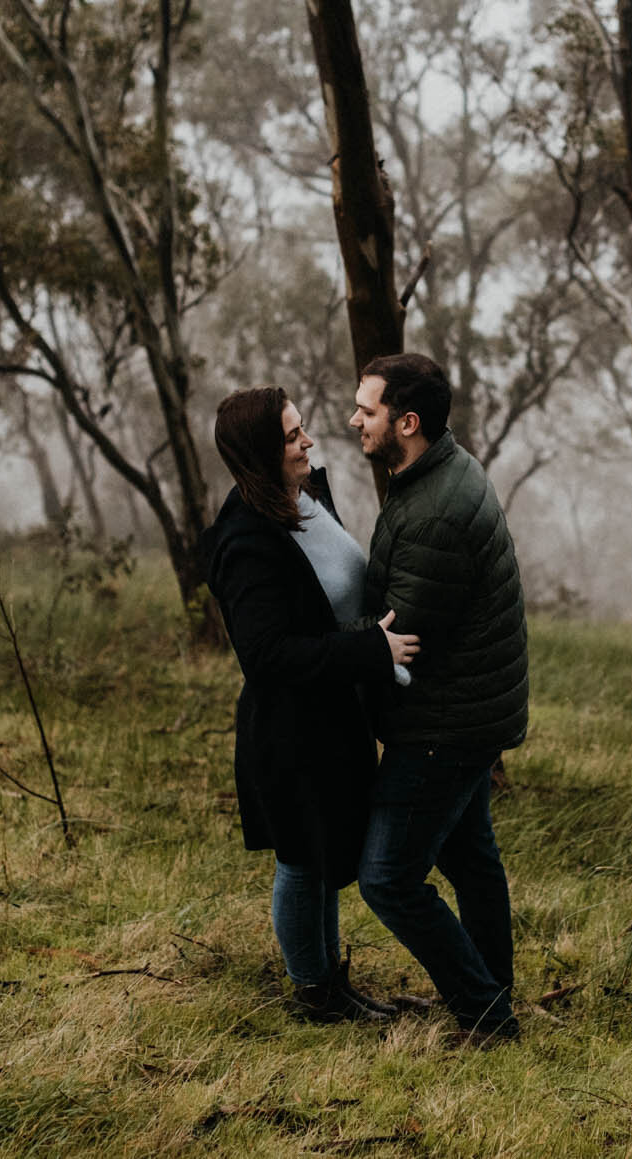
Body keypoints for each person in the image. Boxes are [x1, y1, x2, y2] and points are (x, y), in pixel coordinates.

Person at [198, 386, 418, 1023]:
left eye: (301, 430)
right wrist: (372, 652)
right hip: (290, 732)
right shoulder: (245, 541)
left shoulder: (307, 497)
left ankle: (331, 983)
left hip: (334, 716)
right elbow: (268, 656)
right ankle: (313, 994)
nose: (308, 441)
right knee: (301, 859)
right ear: (262, 455)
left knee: (327, 856)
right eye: (293, 437)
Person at [348, 353, 529, 1045]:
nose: (355, 419)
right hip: (469, 711)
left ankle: (488, 1014)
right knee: (470, 857)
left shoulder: (435, 514)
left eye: (367, 410)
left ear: (408, 422)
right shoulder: (434, 472)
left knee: (388, 878)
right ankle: (494, 995)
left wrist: (337, 644)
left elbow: (401, 633)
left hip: (445, 725)